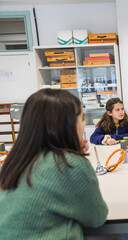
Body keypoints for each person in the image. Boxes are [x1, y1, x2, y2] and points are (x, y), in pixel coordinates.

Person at [0, 89, 108, 239]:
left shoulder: (15, 160)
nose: (83, 126)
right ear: (68, 124)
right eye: (82, 119)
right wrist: (77, 158)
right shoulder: (70, 164)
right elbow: (96, 217)